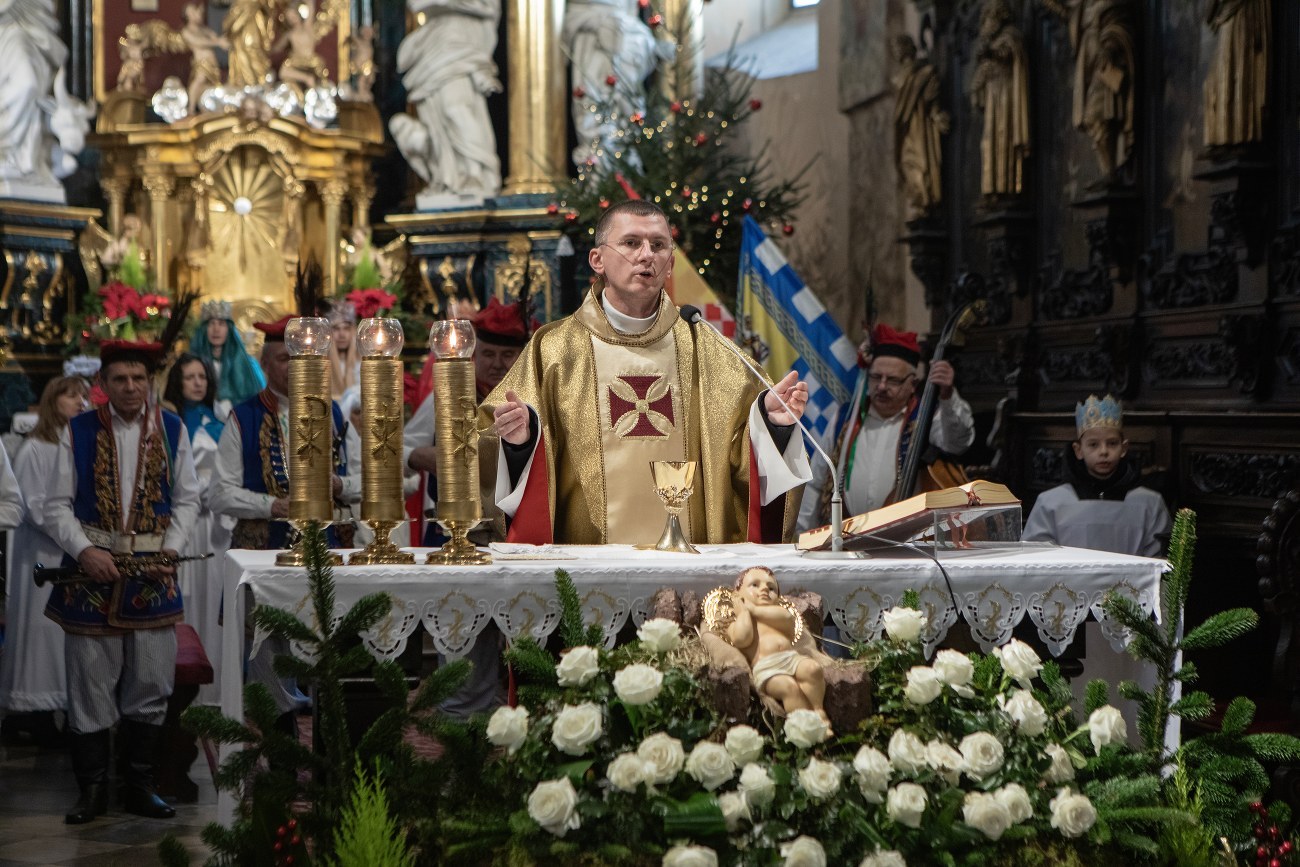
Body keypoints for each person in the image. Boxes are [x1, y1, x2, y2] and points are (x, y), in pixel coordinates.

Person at [488, 200, 812, 545]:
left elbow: (744, 459)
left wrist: (771, 425)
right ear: (597, 260)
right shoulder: (554, 349)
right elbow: (487, 441)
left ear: (670, 264)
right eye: (631, 243)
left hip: (691, 564)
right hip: (587, 562)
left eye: (658, 245)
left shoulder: (709, 348)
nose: (647, 255)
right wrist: (520, 442)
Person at [43, 340, 201, 824]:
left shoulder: (172, 428)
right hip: (90, 575)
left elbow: (188, 499)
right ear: (103, 385)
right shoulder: (78, 430)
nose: (130, 387)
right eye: (120, 379)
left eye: (138, 379)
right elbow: (55, 506)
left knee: (151, 680)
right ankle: (91, 790)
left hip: (152, 575)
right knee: (89, 683)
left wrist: (172, 548)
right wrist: (84, 551)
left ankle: (140, 786)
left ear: (150, 382)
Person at [211, 316, 357, 732]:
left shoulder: (332, 412)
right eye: (283, 359)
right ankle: (281, 747)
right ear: (264, 364)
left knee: (331, 652)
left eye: (301, 358)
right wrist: (273, 504)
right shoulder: (244, 417)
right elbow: (218, 493)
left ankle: (333, 745)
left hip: (328, 551)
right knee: (269, 655)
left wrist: (339, 484)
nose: (294, 367)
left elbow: (375, 479)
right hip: (265, 555)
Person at [798, 324, 975, 532]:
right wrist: (802, 535)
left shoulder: (927, 416)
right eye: (876, 377)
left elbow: (958, 443)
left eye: (893, 380)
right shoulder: (845, 417)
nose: (881, 386)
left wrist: (947, 396)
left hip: (907, 538)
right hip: (846, 539)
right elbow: (816, 482)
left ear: (912, 383)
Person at [1023, 394, 1171, 557]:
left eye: (1112, 443)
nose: (1104, 451)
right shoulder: (1051, 503)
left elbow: (1160, 561)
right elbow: (1034, 559)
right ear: (1078, 450)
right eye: (1093, 445)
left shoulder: (1149, 503)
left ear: (1124, 448)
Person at [162, 353, 229, 706]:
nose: (198, 382)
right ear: (177, 381)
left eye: (202, 376)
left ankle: (212, 691)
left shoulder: (220, 425)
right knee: (184, 602)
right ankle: (177, 690)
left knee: (212, 599)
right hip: (181, 526)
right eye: (189, 377)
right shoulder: (168, 424)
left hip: (214, 527)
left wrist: (213, 491)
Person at [389, 0, 502, 203]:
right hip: (435, 37)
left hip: (459, 37)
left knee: (456, 108)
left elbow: (488, 5)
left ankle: (475, 172)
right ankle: (447, 178)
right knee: (434, 116)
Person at [0, 379, 61, 744]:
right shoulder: (34, 448)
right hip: (41, 552)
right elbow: (29, 507)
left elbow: (13, 505)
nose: (81, 402)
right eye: (71, 396)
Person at [726, 566, 834, 730]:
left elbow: (786, 618)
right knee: (789, 687)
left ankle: (818, 710)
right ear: (737, 594)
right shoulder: (736, 624)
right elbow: (742, 638)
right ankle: (804, 727)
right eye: (755, 585)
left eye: (771, 588)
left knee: (812, 669)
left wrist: (752, 609)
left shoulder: (780, 613)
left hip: (791, 659)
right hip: (767, 668)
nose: (764, 589)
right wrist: (743, 612)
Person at [190, 300, 265, 414]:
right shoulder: (194, 363)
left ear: (229, 329)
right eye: (211, 324)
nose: (216, 329)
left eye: (221, 324)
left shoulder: (248, 365)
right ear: (204, 329)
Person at [327, 300, 360, 399]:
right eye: (336, 329)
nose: (342, 334)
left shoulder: (362, 364)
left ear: (353, 331)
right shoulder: (322, 366)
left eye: (346, 328)